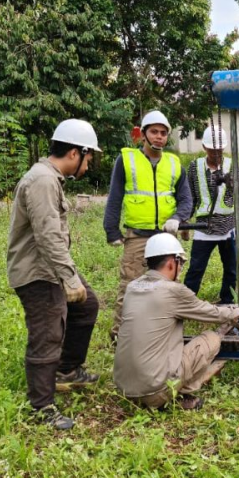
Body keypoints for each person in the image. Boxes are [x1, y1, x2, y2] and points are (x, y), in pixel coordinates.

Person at [7, 119, 103, 430]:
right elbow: (47, 236)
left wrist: (70, 276)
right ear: (75, 153)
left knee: (86, 306)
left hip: (51, 268)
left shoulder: (50, 178)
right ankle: (41, 407)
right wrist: (69, 278)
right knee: (47, 333)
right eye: (88, 160)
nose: (88, 167)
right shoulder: (43, 181)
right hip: (38, 273)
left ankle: (66, 370)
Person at [114, 233, 239, 410]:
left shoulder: (132, 287)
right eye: (180, 263)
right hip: (155, 391)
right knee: (211, 339)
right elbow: (212, 313)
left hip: (123, 388)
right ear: (171, 263)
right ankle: (177, 394)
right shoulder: (173, 290)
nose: (181, 269)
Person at [103, 110, 193, 341]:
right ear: (143, 134)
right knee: (130, 287)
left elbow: (186, 199)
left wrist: (177, 218)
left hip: (167, 236)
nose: (159, 137)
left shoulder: (174, 164)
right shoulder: (127, 160)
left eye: (163, 133)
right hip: (138, 236)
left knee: (170, 288)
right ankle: (120, 338)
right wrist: (111, 229)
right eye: (154, 131)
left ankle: (168, 335)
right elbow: (115, 197)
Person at [182, 127, 239, 304]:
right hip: (203, 229)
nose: (216, 153)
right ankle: (186, 303)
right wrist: (185, 222)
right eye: (213, 150)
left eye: (220, 150)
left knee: (231, 269)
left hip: (228, 228)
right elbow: (190, 197)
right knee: (196, 269)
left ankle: (227, 301)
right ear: (205, 147)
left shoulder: (231, 166)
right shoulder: (194, 167)